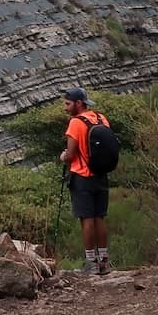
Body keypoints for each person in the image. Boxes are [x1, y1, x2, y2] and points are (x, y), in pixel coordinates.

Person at [59, 86, 110, 276]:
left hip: (82, 176)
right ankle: (105, 262)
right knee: (100, 217)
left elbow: (71, 154)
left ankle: (91, 264)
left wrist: (63, 156)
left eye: (67, 103)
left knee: (86, 219)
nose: (65, 108)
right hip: (101, 175)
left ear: (78, 103)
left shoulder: (75, 123)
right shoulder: (100, 118)